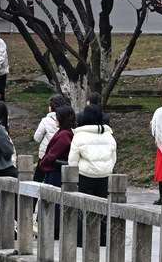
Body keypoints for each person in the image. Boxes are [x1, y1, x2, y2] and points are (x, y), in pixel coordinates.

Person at [69, 104, 117, 246]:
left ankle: (81, 239)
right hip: (104, 176)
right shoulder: (109, 136)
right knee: (103, 208)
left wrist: (75, 175)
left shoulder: (79, 136)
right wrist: (107, 169)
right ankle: (102, 239)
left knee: (83, 208)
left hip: (85, 175)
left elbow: (72, 160)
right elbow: (113, 158)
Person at [40, 105, 76, 237]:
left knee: (54, 203)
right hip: (56, 172)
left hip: (56, 173)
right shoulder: (65, 133)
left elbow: (52, 155)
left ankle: (54, 229)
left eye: (57, 116)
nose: (55, 118)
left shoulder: (63, 135)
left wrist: (43, 162)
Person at [33, 94, 66, 183]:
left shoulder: (45, 121)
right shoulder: (67, 120)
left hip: (45, 155)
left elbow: (37, 138)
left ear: (50, 108)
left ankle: (34, 197)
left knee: (38, 179)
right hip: (61, 156)